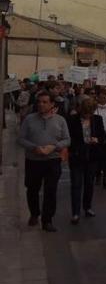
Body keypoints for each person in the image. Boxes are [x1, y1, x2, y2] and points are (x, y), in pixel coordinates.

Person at [18, 91, 71, 232]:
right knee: (32, 189)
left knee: (50, 190)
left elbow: (67, 139)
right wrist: (34, 148)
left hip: (52, 161)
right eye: (39, 102)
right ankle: (34, 213)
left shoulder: (60, 120)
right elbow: (21, 139)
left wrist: (54, 147)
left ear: (52, 104)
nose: (41, 104)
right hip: (33, 160)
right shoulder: (29, 119)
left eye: (45, 102)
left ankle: (47, 220)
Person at [66, 97, 106, 225]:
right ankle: (75, 212)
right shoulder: (72, 119)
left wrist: (97, 140)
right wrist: (78, 146)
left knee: (89, 184)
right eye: (85, 112)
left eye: (90, 112)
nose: (88, 115)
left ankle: (87, 207)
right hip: (77, 156)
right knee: (76, 185)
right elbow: (69, 138)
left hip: (92, 156)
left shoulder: (97, 120)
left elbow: (102, 136)